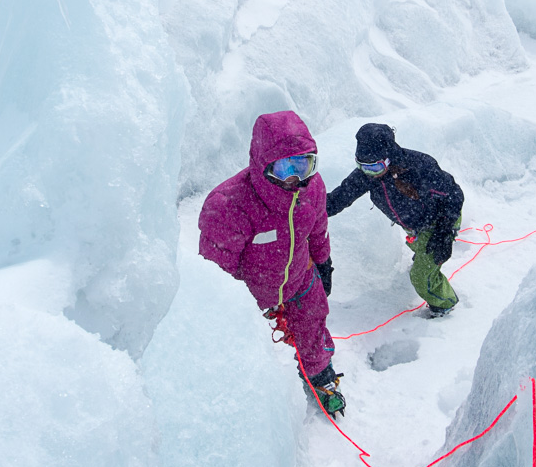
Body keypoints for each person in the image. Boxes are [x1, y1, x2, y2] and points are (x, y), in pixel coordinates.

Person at [198, 111, 345, 417]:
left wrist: (323, 261)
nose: (296, 178)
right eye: (285, 167)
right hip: (252, 294)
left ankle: (319, 375)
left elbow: (318, 228)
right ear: (263, 164)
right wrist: (229, 313)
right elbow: (214, 275)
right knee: (240, 348)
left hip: (299, 278)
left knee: (313, 324)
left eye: (304, 165)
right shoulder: (228, 205)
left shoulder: (313, 189)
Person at [326, 123, 463, 317]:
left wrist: (444, 232)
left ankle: (444, 304)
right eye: (363, 166)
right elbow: (337, 200)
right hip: (415, 225)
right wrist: (306, 212)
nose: (370, 172)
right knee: (421, 250)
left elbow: (454, 195)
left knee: (421, 277)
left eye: (375, 167)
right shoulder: (367, 176)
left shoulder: (419, 167)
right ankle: (422, 254)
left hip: (441, 221)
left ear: (388, 158)